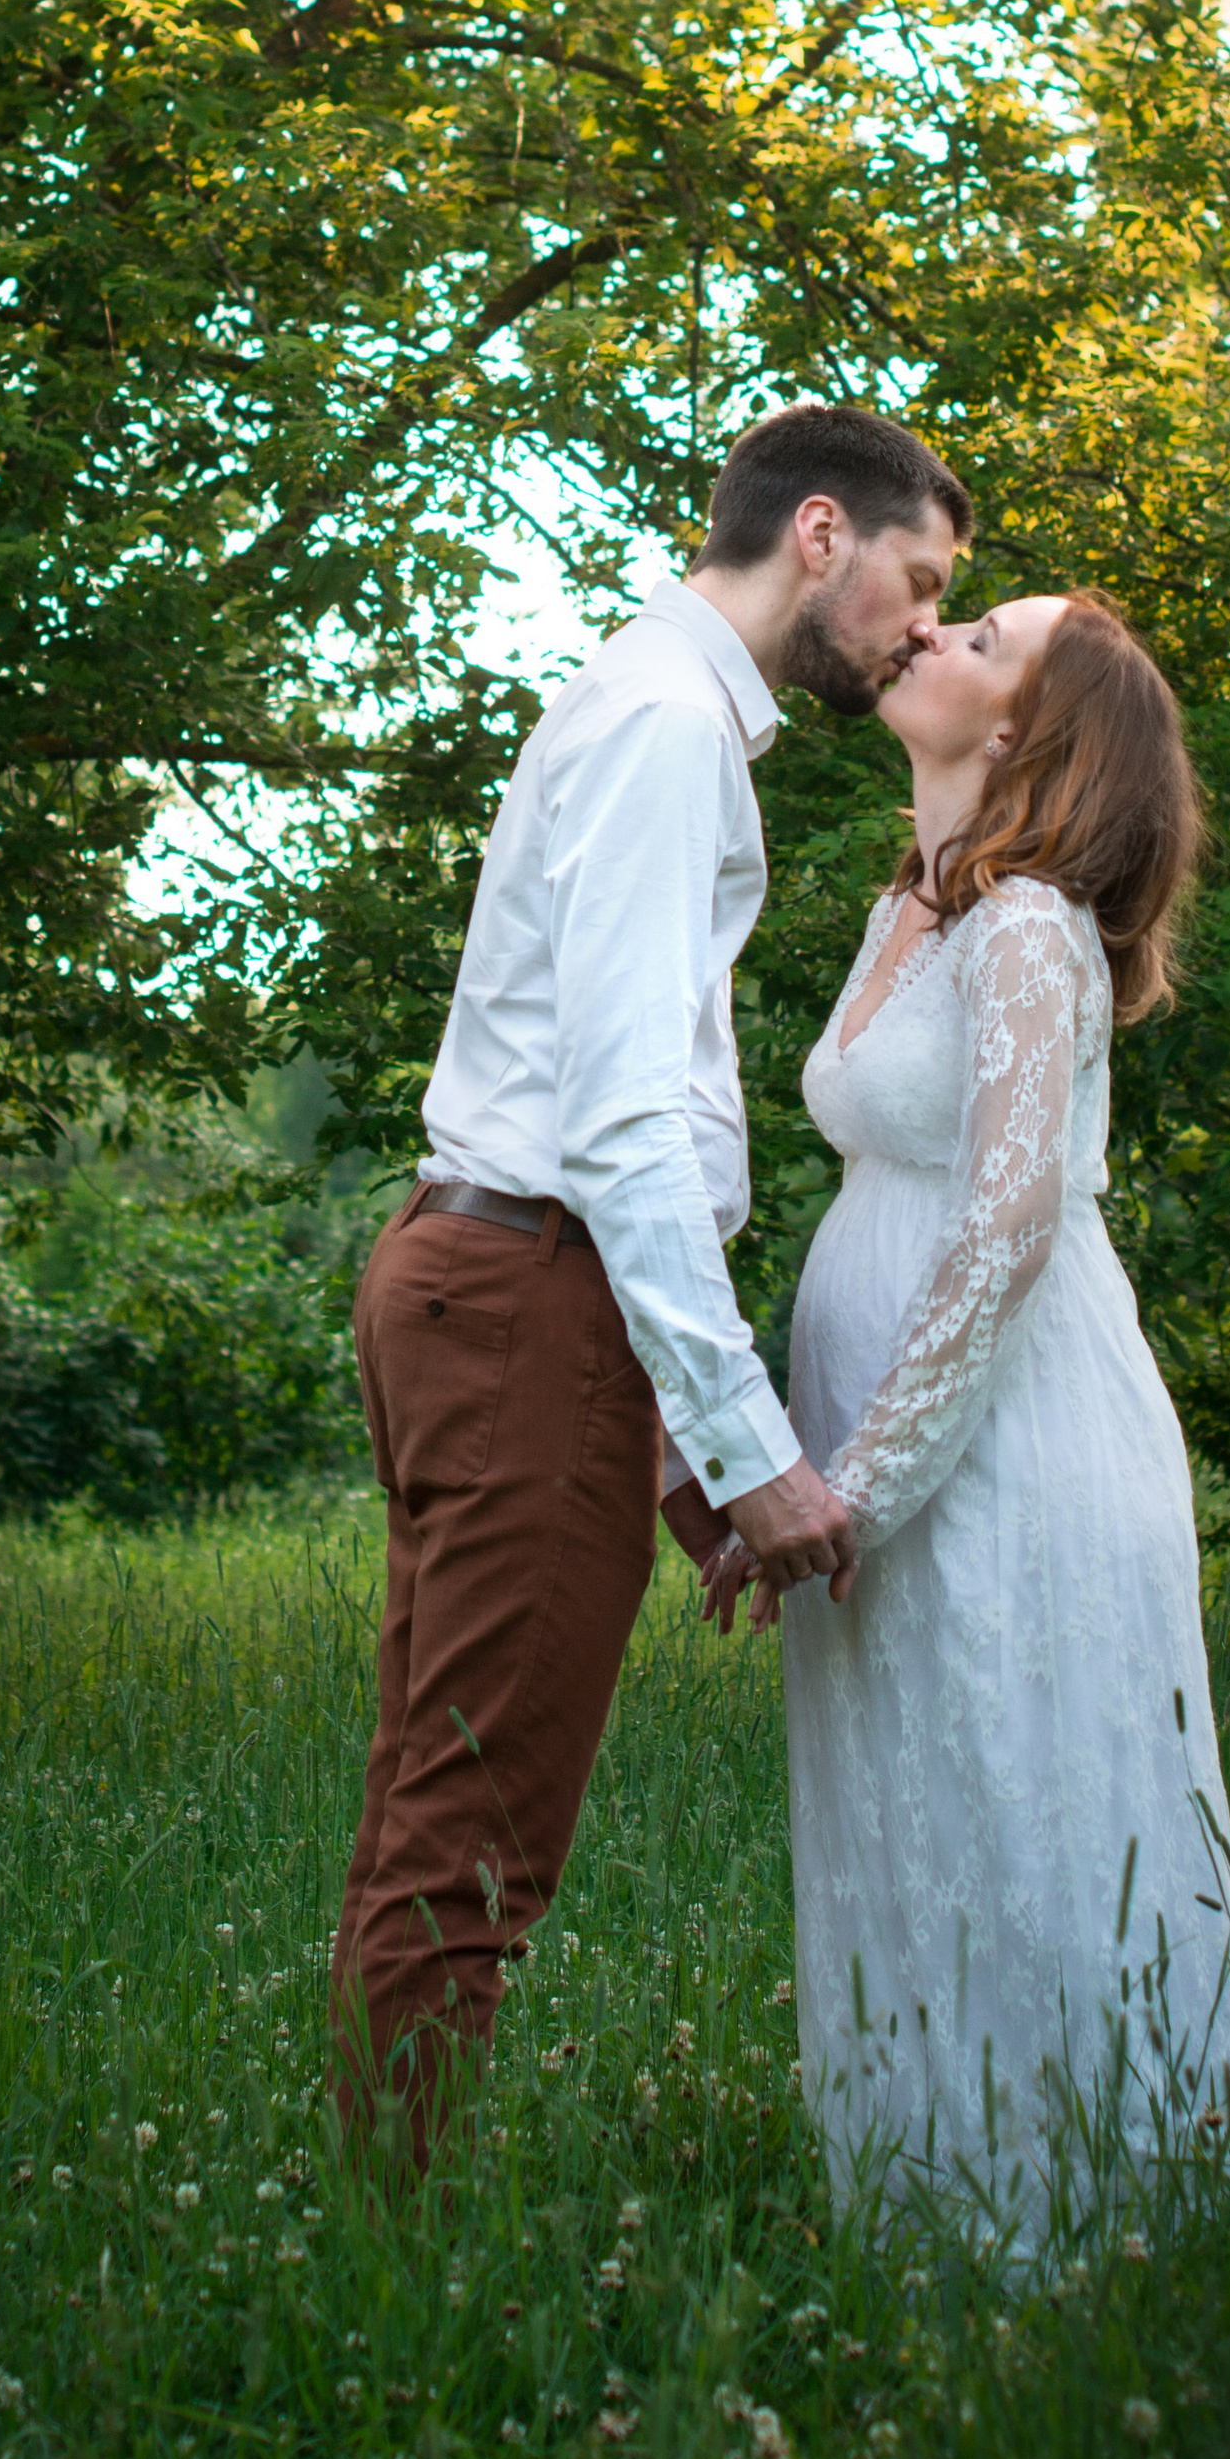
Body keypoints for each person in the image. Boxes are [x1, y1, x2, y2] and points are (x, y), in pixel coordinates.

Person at [330, 403, 972, 2160]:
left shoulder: (659, 711)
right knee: (475, 1825)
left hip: (517, 1290)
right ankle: (395, 2274)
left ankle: (375, 2217)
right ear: (822, 535)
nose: (925, 629)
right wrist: (752, 1445)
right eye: (920, 583)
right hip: (530, 1291)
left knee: (435, 1792)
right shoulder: (667, 723)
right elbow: (619, 1124)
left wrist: (676, 1442)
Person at [729, 590, 1230, 2251]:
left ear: (1031, 728)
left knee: (1025, 1804)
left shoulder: (1031, 923)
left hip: (1007, 1438)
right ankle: (925, 2199)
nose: (932, 633)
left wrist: (858, 1485)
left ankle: (1093, 2226)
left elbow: (1012, 1218)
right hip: (891, 1432)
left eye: (983, 639)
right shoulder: (916, 907)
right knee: (911, 1803)